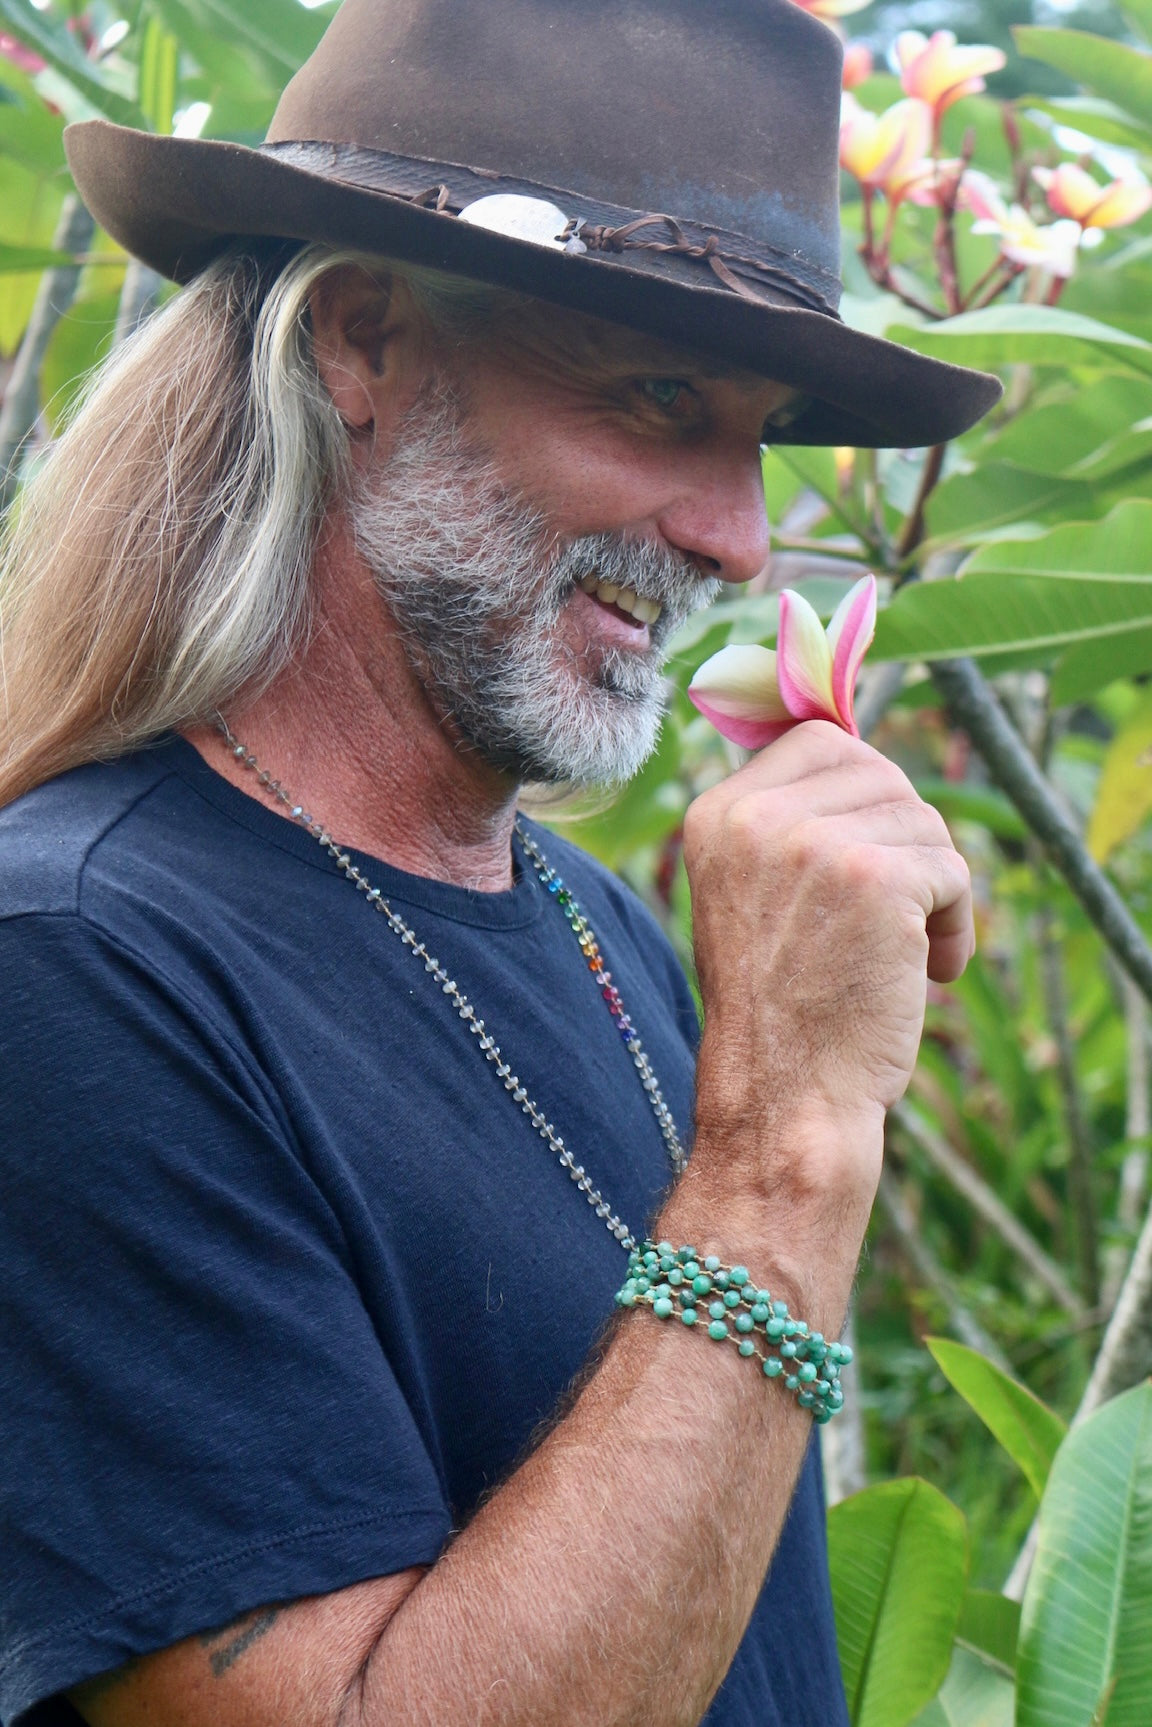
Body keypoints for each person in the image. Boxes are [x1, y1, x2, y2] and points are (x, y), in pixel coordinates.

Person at [0, 2, 999, 1723]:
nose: (740, 536)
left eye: (758, 434)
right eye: (663, 395)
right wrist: (783, 1157)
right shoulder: (70, 966)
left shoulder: (601, 929)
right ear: (365, 341)